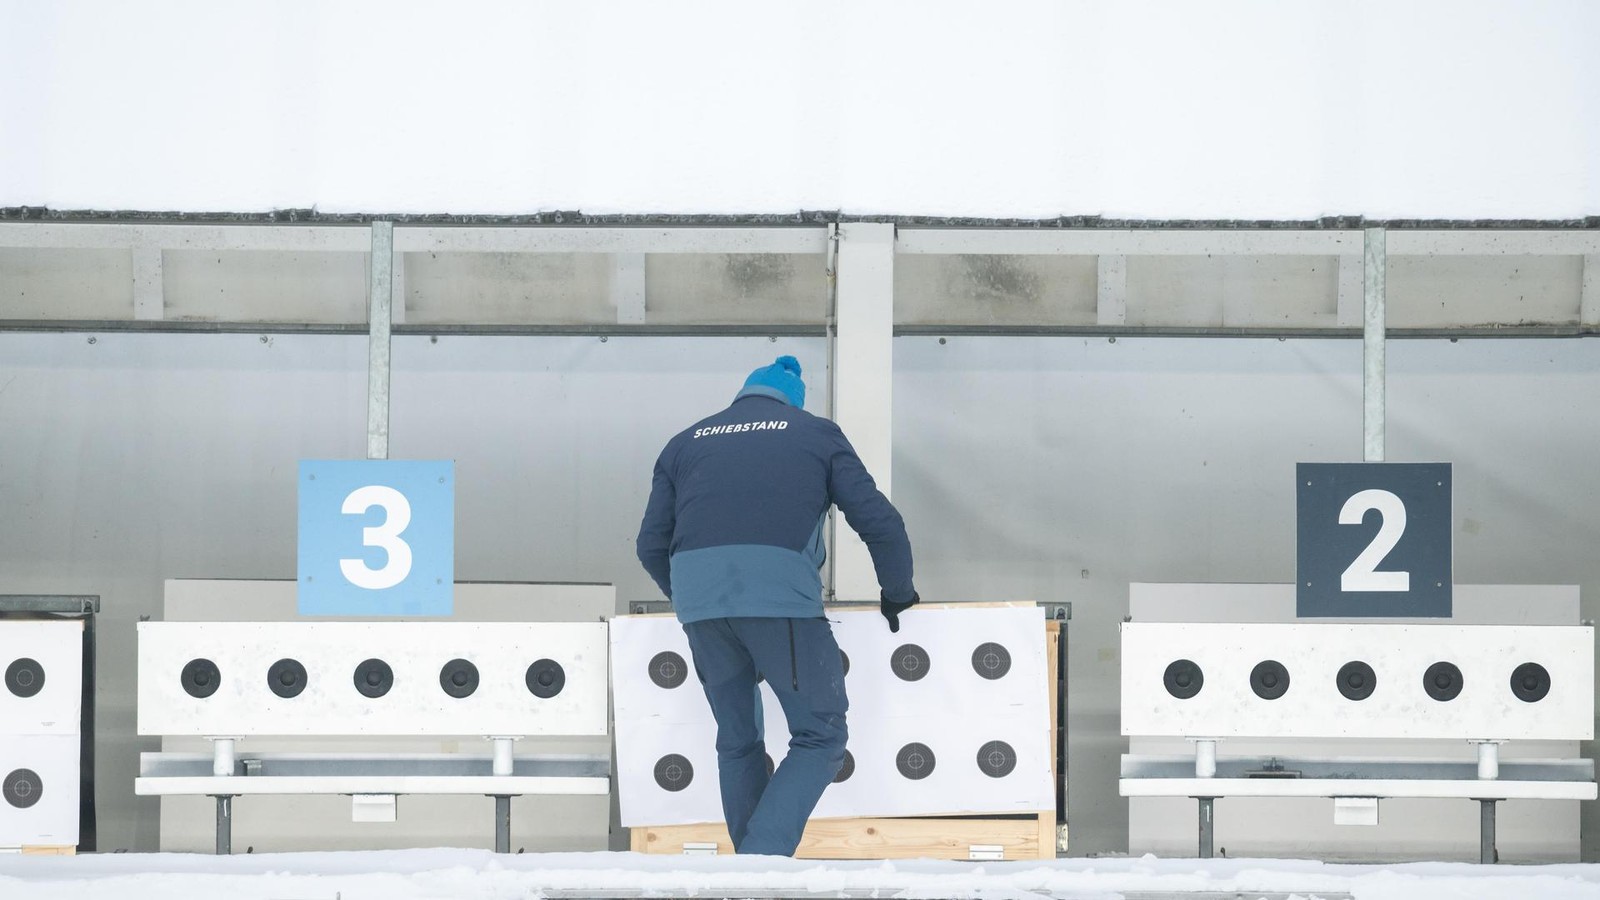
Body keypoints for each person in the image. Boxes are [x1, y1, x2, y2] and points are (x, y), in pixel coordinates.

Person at [636, 354, 919, 856]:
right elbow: (880, 522)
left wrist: (689, 600)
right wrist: (897, 591)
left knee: (737, 739)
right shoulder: (816, 434)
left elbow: (650, 545)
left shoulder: (685, 442)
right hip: (779, 596)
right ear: (793, 402)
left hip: (700, 602)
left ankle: (749, 874)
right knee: (821, 734)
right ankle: (759, 862)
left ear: (743, 395)